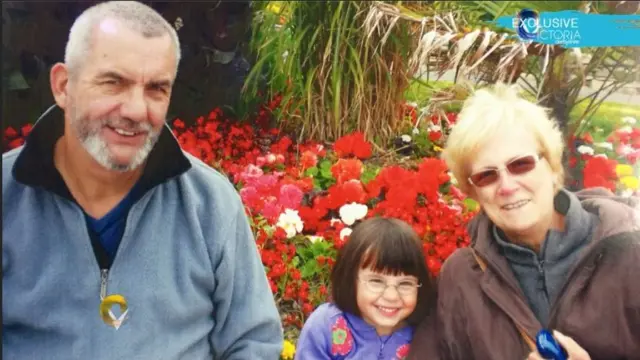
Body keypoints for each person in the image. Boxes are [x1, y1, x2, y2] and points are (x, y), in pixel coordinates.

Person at [2, 2, 283, 359]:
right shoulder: (8, 198)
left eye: (156, 89)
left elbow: (254, 342)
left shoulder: (209, 205)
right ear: (63, 85)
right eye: (113, 82)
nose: (136, 110)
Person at [408, 83, 640, 360]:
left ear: (553, 168)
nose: (506, 186)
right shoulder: (462, 276)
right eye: (486, 176)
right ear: (474, 192)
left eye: (521, 164)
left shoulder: (629, 256)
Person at [294, 217, 437, 359]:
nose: (392, 296)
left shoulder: (424, 334)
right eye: (376, 281)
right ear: (350, 279)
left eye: (405, 284)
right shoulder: (325, 325)